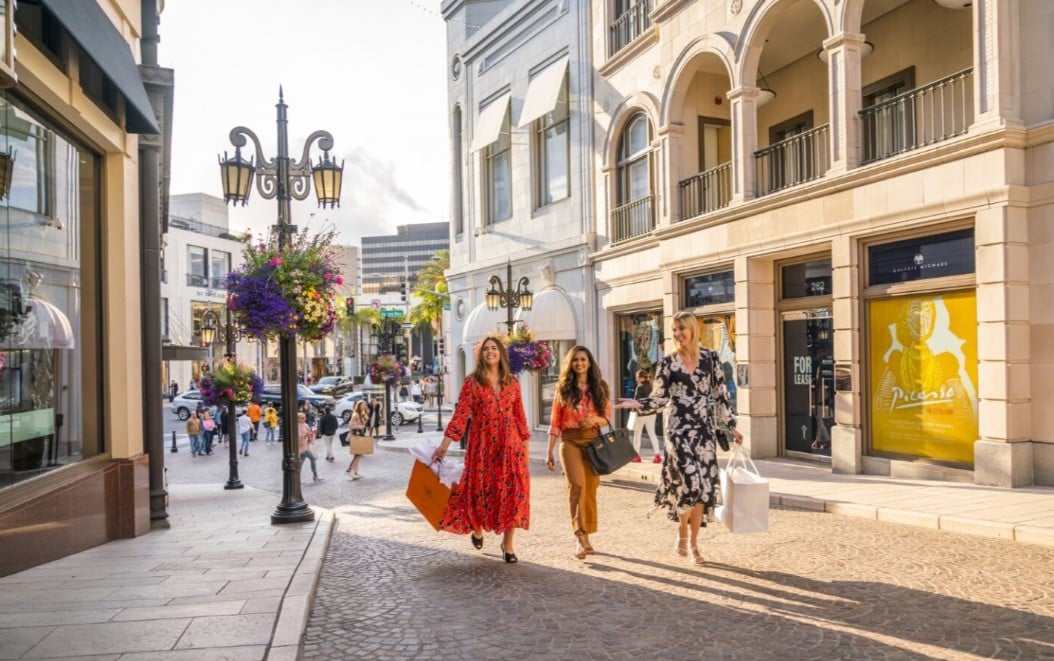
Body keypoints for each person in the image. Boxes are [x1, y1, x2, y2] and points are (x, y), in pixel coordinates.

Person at [615, 310, 743, 565]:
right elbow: (661, 397)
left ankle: (694, 543)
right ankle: (681, 531)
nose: (677, 334)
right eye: (674, 330)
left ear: (693, 330)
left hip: (703, 431)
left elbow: (720, 396)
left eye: (681, 329)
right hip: (678, 430)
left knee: (703, 490)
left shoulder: (711, 358)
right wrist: (638, 403)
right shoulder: (668, 363)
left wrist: (732, 426)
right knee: (691, 482)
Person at [431, 336, 530, 564]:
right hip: (482, 446)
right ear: (480, 355)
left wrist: (524, 450)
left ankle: (508, 544)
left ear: (501, 353)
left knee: (512, 493)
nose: (490, 352)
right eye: (486, 349)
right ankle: (476, 527)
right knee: (480, 492)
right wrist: (444, 445)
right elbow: (461, 415)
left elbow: (520, 418)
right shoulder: (472, 382)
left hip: (509, 446)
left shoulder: (513, 382)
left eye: (494, 348)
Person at [545, 346, 611, 560]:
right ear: (570, 364)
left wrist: (594, 420)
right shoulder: (563, 388)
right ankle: (580, 537)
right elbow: (555, 421)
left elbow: (607, 417)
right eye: (575, 360)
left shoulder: (600, 387)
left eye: (583, 359)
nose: (579, 363)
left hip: (593, 442)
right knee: (578, 486)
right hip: (570, 441)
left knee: (591, 489)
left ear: (589, 363)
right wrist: (550, 451)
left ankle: (588, 533)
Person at [629, 369, 663, 463]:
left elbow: (636, 402)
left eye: (637, 377)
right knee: (652, 433)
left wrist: (633, 412)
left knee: (637, 434)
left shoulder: (639, 387)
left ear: (640, 377)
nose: (636, 379)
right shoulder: (651, 385)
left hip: (640, 414)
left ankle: (637, 456)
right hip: (651, 413)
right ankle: (657, 455)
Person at [346, 400, 369, 479]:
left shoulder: (362, 414)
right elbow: (350, 425)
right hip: (355, 436)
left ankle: (355, 472)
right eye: (363, 405)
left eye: (365, 405)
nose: (365, 406)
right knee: (358, 454)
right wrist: (360, 427)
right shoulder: (355, 414)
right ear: (359, 406)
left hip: (359, 436)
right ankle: (349, 470)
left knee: (358, 455)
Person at [298, 411, 321, 482]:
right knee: (312, 458)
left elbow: (309, 436)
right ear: (298, 419)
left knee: (301, 462)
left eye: (304, 417)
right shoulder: (296, 426)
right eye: (302, 418)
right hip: (301, 447)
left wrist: (312, 434)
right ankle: (315, 475)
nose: (304, 419)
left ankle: (296, 477)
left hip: (306, 446)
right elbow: (298, 437)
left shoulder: (306, 425)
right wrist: (306, 434)